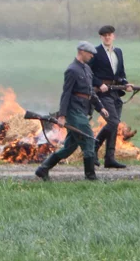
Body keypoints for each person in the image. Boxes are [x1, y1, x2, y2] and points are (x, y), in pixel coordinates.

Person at [34, 42, 105, 182]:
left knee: (69, 148)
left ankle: (43, 169)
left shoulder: (87, 69)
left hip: (83, 110)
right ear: (81, 52)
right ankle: (90, 177)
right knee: (89, 139)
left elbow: (90, 92)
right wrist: (62, 115)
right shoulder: (72, 70)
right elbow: (66, 94)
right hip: (74, 112)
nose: (92, 56)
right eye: (89, 53)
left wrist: (100, 107)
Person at [91, 25, 133, 170]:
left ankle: (109, 158)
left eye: (109, 35)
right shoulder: (95, 52)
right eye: (104, 35)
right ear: (101, 37)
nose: (107, 37)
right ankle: (94, 146)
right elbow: (89, 73)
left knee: (115, 126)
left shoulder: (118, 52)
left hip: (116, 92)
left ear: (113, 36)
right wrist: (98, 83)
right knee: (113, 121)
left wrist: (126, 84)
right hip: (102, 93)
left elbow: (121, 73)